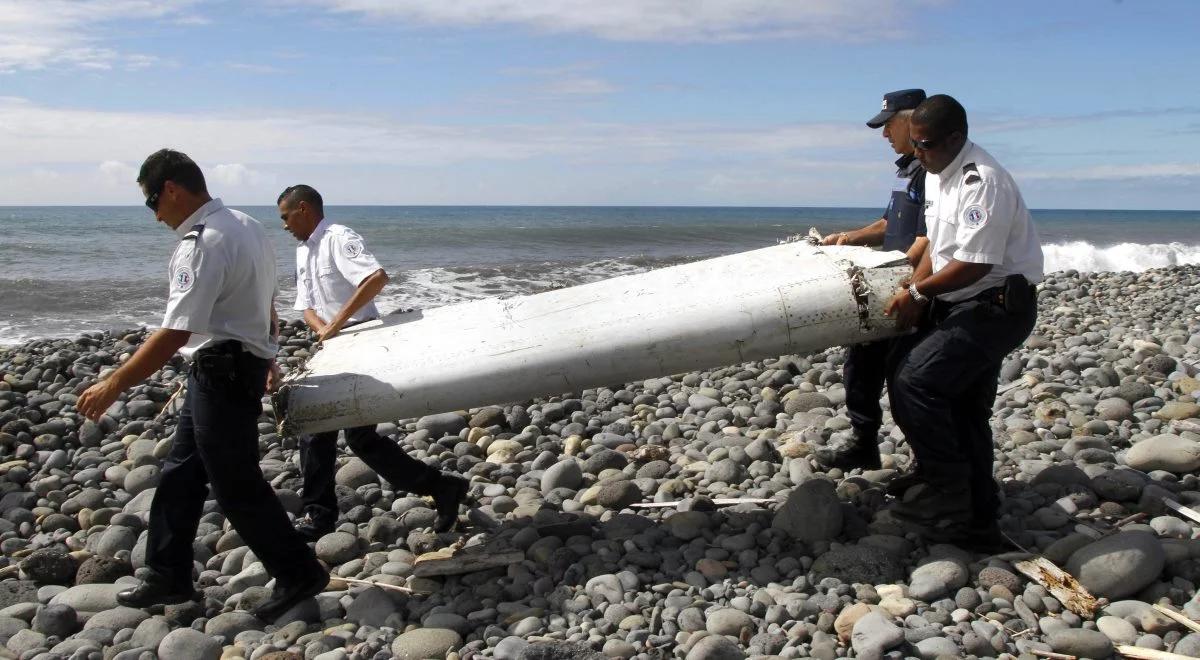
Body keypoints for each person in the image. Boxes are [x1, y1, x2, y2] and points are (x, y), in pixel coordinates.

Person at [77, 149, 327, 621]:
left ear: (171, 189)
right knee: (181, 472)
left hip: (223, 371)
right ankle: (167, 572)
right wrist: (266, 353)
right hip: (231, 365)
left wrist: (115, 382)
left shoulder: (203, 240)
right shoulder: (246, 226)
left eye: (153, 202)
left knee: (235, 484)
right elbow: (263, 299)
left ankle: (299, 571)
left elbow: (174, 332)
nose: (155, 217)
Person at [882, 95, 1043, 546]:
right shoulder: (937, 171)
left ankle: (948, 491)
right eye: (914, 144)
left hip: (995, 306)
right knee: (958, 402)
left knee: (918, 381)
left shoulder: (982, 183)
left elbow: (974, 263)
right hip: (960, 301)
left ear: (956, 138)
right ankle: (976, 515)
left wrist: (916, 293)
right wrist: (916, 287)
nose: (917, 154)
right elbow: (937, 241)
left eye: (926, 145)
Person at [278, 184, 469, 540]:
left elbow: (375, 278)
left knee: (339, 432)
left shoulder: (338, 238)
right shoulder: (303, 251)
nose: (284, 226)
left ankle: (319, 516)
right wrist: (323, 329)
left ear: (303, 209)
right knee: (341, 434)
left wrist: (335, 325)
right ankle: (440, 487)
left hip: (361, 340)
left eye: (286, 217)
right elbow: (305, 304)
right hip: (332, 345)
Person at [816, 88, 930, 471]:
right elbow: (887, 225)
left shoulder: (933, 173)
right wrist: (846, 238)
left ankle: (925, 461)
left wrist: (909, 285)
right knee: (860, 366)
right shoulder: (905, 171)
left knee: (907, 379)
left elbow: (930, 238)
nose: (884, 135)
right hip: (888, 283)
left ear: (913, 122)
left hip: (913, 288)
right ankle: (864, 442)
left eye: (888, 125)